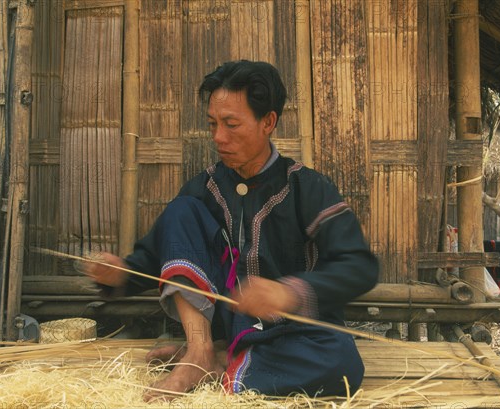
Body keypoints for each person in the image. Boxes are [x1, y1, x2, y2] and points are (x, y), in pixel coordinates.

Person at [82, 60, 379, 401]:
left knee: (341, 362)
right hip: (221, 325)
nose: (218, 137)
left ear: (268, 121)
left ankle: (221, 361)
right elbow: (157, 257)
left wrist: (290, 292)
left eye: (231, 124)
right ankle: (198, 350)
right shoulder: (204, 188)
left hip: (291, 333)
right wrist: (120, 273)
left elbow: (358, 266)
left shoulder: (308, 188)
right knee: (181, 211)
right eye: (212, 124)